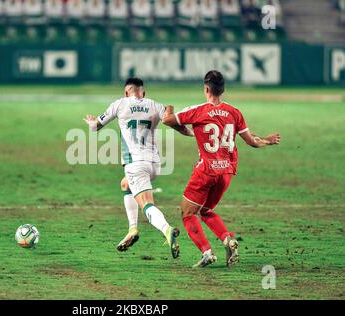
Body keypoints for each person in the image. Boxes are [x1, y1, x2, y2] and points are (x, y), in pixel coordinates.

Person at [162, 70, 280, 267]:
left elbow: (168, 120)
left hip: (206, 171)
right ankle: (228, 240)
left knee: (188, 213)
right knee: (207, 210)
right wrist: (267, 141)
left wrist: (169, 109)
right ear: (223, 90)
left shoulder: (198, 110)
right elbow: (251, 141)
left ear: (206, 88)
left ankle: (207, 252)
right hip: (226, 172)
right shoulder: (234, 113)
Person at [84, 78, 194, 258]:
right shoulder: (154, 104)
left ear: (126, 92)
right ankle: (132, 229)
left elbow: (96, 126)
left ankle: (167, 230)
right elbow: (174, 122)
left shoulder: (120, 104)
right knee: (125, 185)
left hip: (135, 165)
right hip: (155, 164)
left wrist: (90, 122)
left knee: (147, 204)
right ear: (143, 93)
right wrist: (191, 133)